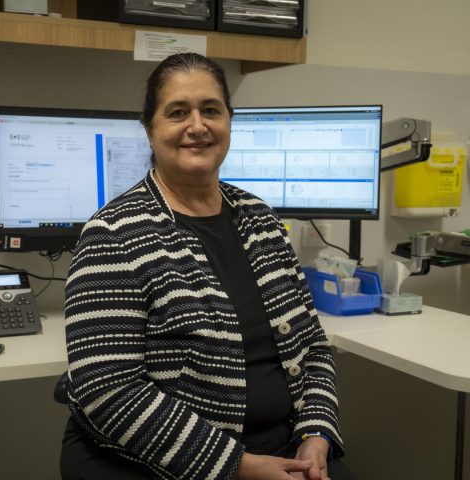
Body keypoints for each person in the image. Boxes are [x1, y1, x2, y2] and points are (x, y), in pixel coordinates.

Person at [60, 52, 355, 480]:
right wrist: (238, 467)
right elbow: (108, 389)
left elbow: (313, 348)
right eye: (178, 112)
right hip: (169, 461)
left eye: (211, 110)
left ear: (229, 122)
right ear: (149, 127)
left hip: (285, 446)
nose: (197, 126)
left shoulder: (261, 220)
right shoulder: (112, 233)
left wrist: (317, 433)